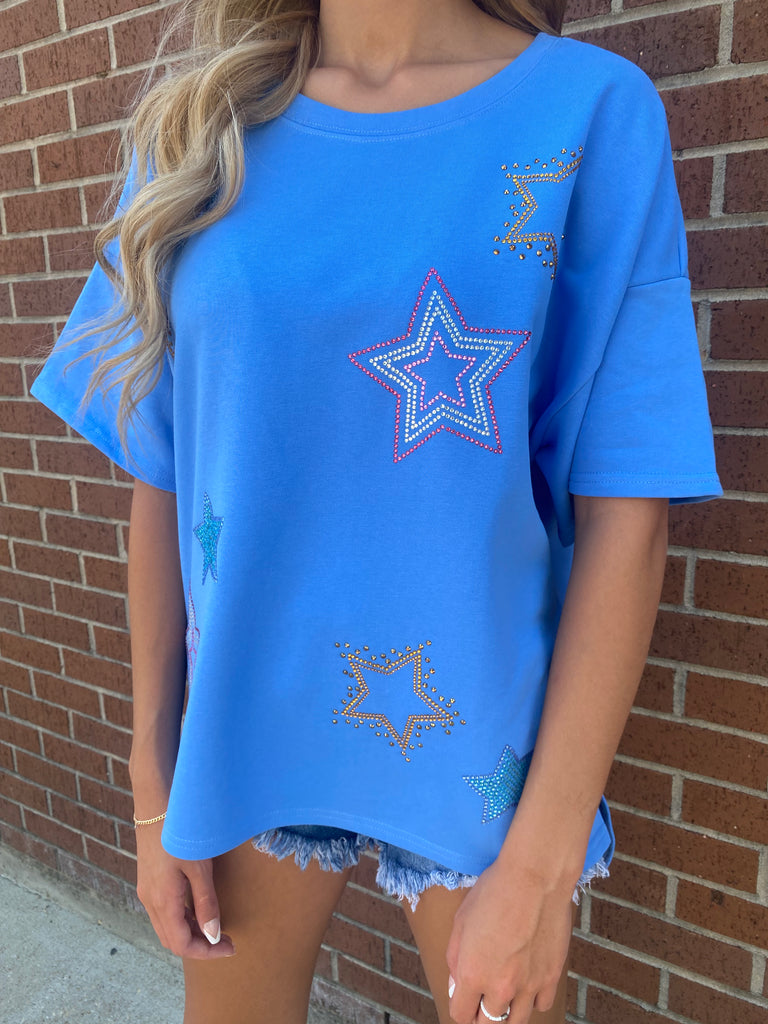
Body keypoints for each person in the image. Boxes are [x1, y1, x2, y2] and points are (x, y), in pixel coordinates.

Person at [29, 1, 722, 1022]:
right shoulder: (197, 129)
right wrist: (151, 780)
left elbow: (630, 509)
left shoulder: (589, 113)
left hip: (484, 746)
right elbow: (163, 469)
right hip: (246, 723)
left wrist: (541, 865)